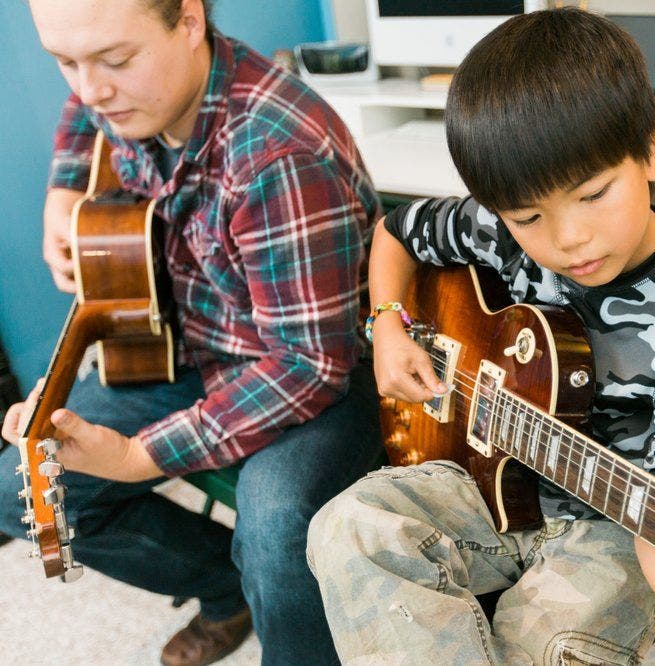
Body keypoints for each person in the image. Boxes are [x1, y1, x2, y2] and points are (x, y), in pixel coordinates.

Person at [306, 8, 655, 664]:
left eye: (594, 195)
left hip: (611, 529)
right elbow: (395, 232)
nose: (568, 239)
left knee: (548, 649)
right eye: (529, 217)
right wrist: (387, 323)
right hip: (480, 481)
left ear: (651, 147)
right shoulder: (495, 228)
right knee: (348, 526)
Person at [1, 0, 382, 664]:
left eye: (115, 60)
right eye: (66, 62)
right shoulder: (123, 92)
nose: (90, 91)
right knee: (20, 489)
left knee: (277, 534)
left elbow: (308, 367)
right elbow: (82, 113)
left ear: (189, 20)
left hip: (314, 371)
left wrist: (136, 457)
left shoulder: (277, 154)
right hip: (191, 339)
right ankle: (228, 589)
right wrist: (64, 189)